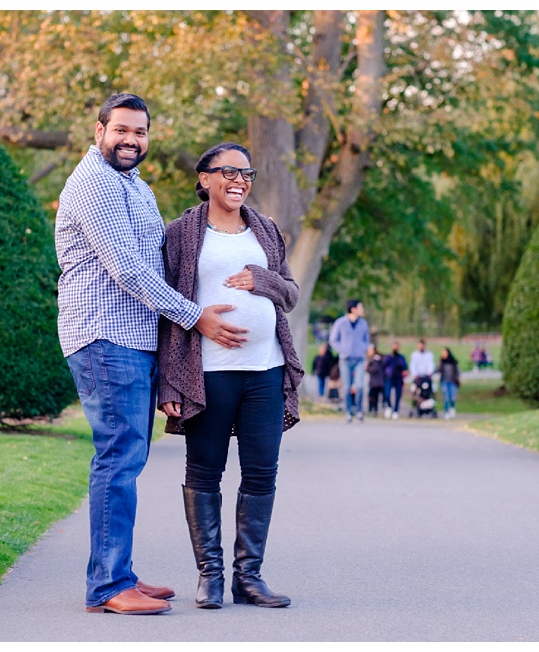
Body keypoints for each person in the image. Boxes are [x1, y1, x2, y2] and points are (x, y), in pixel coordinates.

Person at [55, 93, 238, 616]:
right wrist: (194, 316)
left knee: (127, 458)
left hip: (134, 341)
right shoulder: (92, 184)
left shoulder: (135, 186)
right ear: (99, 132)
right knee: (119, 457)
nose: (132, 140)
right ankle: (108, 588)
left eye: (140, 132)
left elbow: (159, 260)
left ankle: (119, 575)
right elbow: (129, 271)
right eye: (122, 131)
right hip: (104, 336)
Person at [156, 141, 304, 610]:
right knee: (204, 472)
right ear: (203, 179)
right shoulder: (181, 233)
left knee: (262, 473)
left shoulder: (265, 230)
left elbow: (291, 292)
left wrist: (264, 280)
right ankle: (210, 577)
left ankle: (249, 577)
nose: (239, 181)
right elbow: (164, 304)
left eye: (247, 174)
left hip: (265, 372)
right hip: (209, 374)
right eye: (228, 172)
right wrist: (170, 381)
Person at [328, 299, 370, 422]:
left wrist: (362, 349)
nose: (362, 310)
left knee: (360, 386)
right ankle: (348, 412)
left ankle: (359, 411)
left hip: (359, 359)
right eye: (360, 308)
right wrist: (343, 350)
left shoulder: (363, 323)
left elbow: (366, 340)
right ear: (353, 309)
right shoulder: (340, 323)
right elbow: (333, 339)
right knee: (346, 387)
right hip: (345, 359)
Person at [382, 342, 408, 419]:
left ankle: (396, 411)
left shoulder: (401, 358)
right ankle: (389, 406)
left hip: (398, 378)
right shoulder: (388, 357)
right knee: (387, 394)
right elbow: (384, 365)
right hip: (389, 377)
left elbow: (404, 368)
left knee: (398, 395)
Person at [438, 347, 460, 420]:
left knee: (452, 397)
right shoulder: (441, 362)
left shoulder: (453, 362)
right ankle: (446, 412)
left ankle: (452, 408)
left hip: (452, 381)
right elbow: (438, 369)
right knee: (446, 397)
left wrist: (458, 378)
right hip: (444, 381)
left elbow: (457, 371)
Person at [365, 344, 385, 417]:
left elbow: (375, 369)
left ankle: (373, 411)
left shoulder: (376, 359)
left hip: (376, 382)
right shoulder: (374, 359)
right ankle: (373, 410)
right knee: (373, 397)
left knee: (373, 397)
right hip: (374, 382)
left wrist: (367, 368)